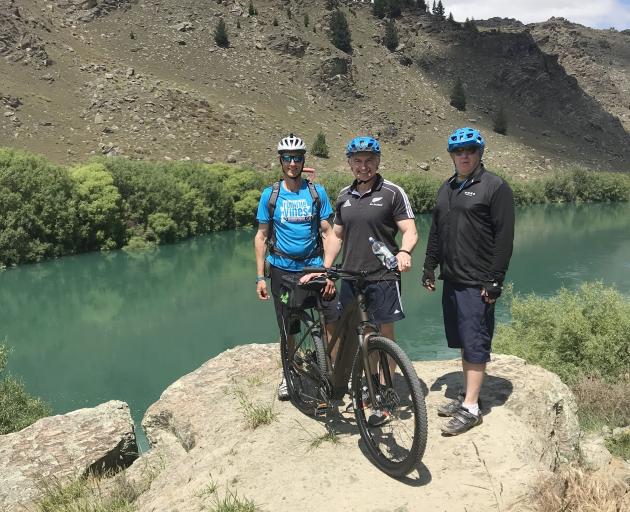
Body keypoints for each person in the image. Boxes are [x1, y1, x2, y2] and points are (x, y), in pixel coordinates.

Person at [422, 127, 515, 436]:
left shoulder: (495, 187)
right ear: (452, 155)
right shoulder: (447, 188)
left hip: (478, 282)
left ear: (479, 153)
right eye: (458, 151)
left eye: (470, 151)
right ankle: (467, 394)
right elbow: (436, 232)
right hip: (452, 279)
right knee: (463, 339)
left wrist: (495, 280)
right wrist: (429, 266)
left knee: (475, 342)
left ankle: (472, 408)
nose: (464, 155)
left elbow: (504, 239)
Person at [324, 136, 418, 426]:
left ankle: (387, 390)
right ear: (350, 163)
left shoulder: (392, 192)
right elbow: (336, 236)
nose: (363, 166)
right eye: (357, 161)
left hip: (383, 276)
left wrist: (404, 251)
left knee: (384, 334)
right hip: (351, 276)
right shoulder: (343, 195)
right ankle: (371, 384)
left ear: (378, 163)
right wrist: (325, 267)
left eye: (369, 161)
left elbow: (410, 229)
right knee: (363, 334)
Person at [254, 134, 338, 401]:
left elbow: (328, 232)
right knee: (288, 326)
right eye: (288, 158)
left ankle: (333, 370)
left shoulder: (316, 192)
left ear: (304, 161)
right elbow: (262, 236)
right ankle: (289, 372)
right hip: (281, 269)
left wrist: (327, 269)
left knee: (331, 316)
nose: (293, 163)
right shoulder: (271, 195)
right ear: (281, 161)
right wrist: (260, 277)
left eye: (298, 158)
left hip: (314, 267)